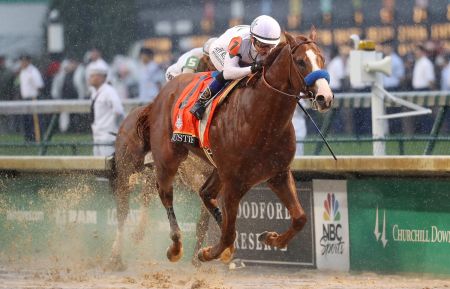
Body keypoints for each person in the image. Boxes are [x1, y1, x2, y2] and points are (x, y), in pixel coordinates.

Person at [190, 15, 281, 119]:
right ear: (252, 39)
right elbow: (229, 72)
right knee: (231, 75)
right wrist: (252, 68)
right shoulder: (238, 41)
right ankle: (200, 102)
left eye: (271, 46)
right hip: (221, 50)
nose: (268, 51)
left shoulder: (271, 45)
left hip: (245, 55)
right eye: (263, 45)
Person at [88, 61, 124, 156]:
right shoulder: (95, 92)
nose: (90, 78)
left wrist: (112, 125)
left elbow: (119, 110)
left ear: (101, 77)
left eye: (93, 76)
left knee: (107, 163)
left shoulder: (109, 91)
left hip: (107, 134)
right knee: (97, 164)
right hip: (97, 133)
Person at [18, 54, 44, 142]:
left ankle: (37, 138)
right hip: (25, 98)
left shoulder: (33, 71)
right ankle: (28, 138)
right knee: (26, 120)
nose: (22, 63)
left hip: (33, 98)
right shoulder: (23, 71)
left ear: (28, 61)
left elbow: (39, 85)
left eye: (24, 61)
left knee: (34, 120)